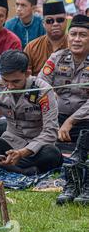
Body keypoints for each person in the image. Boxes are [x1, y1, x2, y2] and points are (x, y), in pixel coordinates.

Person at [0, 50, 62, 175]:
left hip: (36, 147)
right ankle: (23, 170)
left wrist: (22, 153)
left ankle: (12, 166)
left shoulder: (43, 91)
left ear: (27, 73)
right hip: (9, 142)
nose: (9, 86)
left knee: (52, 154)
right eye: (5, 80)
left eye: (15, 81)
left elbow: (50, 132)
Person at [37, 15, 89, 144]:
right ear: (68, 37)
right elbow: (39, 83)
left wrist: (70, 121)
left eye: (82, 35)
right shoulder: (56, 58)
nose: (76, 39)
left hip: (84, 121)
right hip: (55, 117)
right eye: (73, 34)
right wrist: (50, 94)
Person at [24, 1, 68, 76]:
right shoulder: (32, 47)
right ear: (43, 24)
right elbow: (25, 76)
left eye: (60, 20)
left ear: (66, 21)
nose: (55, 24)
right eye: (49, 21)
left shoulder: (76, 45)